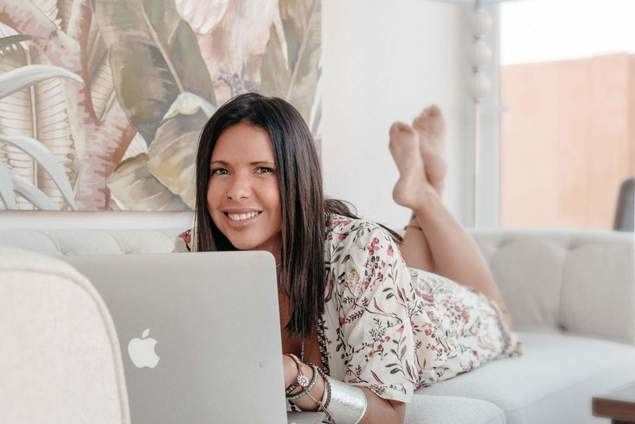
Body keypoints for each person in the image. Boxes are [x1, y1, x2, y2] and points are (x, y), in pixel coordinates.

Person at [176, 93, 521, 424]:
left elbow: (388, 419)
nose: (236, 191)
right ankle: (422, 187)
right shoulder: (191, 255)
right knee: (392, 268)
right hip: (374, 282)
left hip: (431, 321)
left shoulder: (361, 248)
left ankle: (426, 194)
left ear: (297, 176)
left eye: (263, 169)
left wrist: (298, 377)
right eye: (221, 171)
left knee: (499, 316)